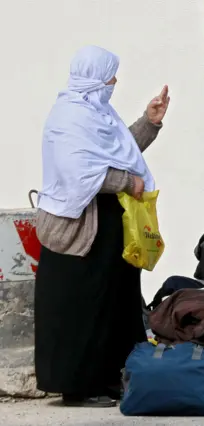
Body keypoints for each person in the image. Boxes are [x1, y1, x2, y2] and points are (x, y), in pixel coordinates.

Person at [34, 45, 170, 407]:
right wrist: (128, 183)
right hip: (77, 231)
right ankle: (79, 386)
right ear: (94, 77)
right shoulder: (69, 117)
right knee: (81, 308)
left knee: (114, 303)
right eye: (109, 76)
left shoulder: (97, 114)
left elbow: (118, 152)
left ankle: (112, 377)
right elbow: (80, 173)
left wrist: (149, 122)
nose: (114, 82)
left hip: (107, 228)